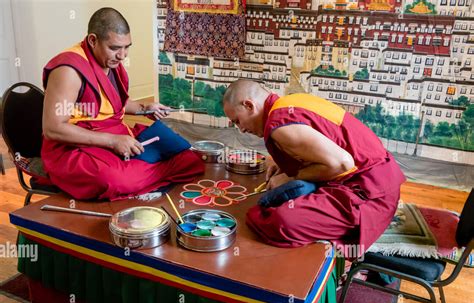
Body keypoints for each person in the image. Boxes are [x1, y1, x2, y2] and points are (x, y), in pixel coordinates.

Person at [223, 79, 406, 251]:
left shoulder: (281, 127)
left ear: (249, 105)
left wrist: (290, 176)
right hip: (379, 177)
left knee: (281, 220)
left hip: (370, 193)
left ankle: (341, 259)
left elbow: (342, 163)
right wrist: (287, 165)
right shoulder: (289, 102)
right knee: (286, 197)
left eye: (238, 121)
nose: (242, 129)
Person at [42, 8, 204, 200]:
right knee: (112, 179)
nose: (122, 56)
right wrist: (112, 141)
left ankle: (139, 174)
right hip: (75, 147)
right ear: (93, 40)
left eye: (127, 47)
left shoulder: (109, 62)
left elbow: (112, 102)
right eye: (115, 48)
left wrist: (144, 109)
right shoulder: (69, 70)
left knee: (188, 159)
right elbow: (53, 129)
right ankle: (140, 174)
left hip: (115, 134)